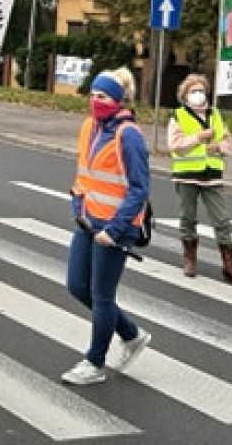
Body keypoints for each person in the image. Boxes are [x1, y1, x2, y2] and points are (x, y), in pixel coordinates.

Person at [63, 67, 151, 386]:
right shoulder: (89, 127)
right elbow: (84, 173)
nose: (96, 101)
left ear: (117, 100)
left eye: (103, 97)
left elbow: (139, 188)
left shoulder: (128, 134)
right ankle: (130, 334)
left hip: (115, 228)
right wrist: (78, 204)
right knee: (76, 285)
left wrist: (113, 230)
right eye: (93, 95)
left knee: (101, 295)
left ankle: (94, 362)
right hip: (89, 222)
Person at [167, 73, 232, 286]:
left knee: (221, 220)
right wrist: (199, 138)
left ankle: (229, 266)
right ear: (185, 95)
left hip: (212, 175)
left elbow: (229, 144)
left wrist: (219, 147)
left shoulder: (216, 115)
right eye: (194, 91)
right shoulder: (178, 115)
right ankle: (190, 259)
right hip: (187, 175)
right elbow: (174, 145)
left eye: (201, 90)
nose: (198, 95)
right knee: (188, 217)